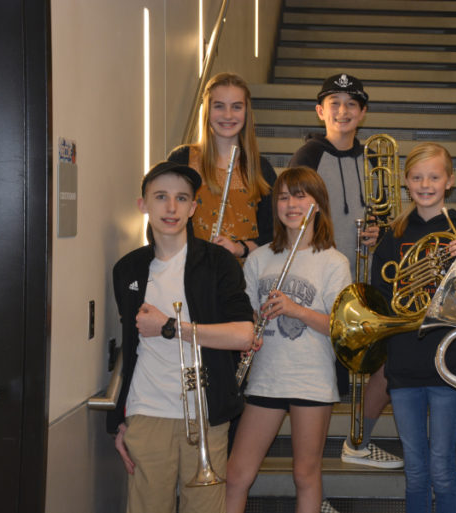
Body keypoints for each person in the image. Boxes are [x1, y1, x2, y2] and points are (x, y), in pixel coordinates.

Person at [108, 161, 256, 513]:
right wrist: (120, 421)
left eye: (180, 198)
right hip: (147, 411)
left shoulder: (219, 262)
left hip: (205, 414)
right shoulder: (127, 269)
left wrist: (172, 328)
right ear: (143, 204)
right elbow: (129, 349)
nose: (170, 208)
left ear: (193, 208)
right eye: (160, 197)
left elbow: (243, 335)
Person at [289, 73, 403, 472]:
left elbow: (390, 213)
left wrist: (381, 230)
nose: (343, 110)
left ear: (363, 113)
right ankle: (313, 472)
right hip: (323, 277)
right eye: (333, 103)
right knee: (324, 375)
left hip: (366, 273)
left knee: (373, 362)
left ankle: (354, 441)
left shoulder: (374, 156)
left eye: (351, 104)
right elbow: (292, 210)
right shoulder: (308, 155)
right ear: (320, 111)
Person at [225, 167, 352, 513]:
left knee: (305, 474)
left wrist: (297, 311)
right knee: (236, 474)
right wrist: (248, 332)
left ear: (318, 203)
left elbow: (340, 329)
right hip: (265, 377)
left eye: (300, 195)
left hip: (311, 379)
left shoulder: (333, 262)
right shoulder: (259, 258)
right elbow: (246, 317)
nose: (291, 204)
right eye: (283, 197)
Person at [371, 143, 456, 513]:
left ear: (449, 182)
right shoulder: (394, 234)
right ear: (406, 183)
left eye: (434, 177)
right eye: (417, 177)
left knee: (442, 467)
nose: (425, 184)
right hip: (404, 363)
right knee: (416, 469)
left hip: (446, 364)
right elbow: (381, 294)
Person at [168, 72, 277, 259]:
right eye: (219, 106)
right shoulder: (182, 159)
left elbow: (273, 235)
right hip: (191, 275)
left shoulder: (261, 168)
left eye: (236, 107)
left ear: (246, 112)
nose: (228, 115)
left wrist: (239, 248)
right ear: (207, 111)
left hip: (244, 280)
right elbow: (162, 222)